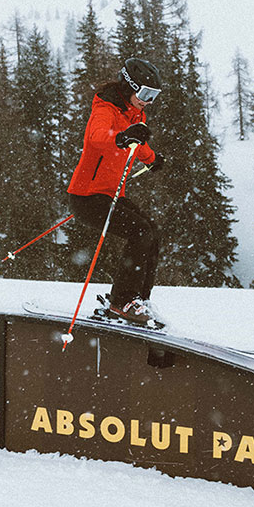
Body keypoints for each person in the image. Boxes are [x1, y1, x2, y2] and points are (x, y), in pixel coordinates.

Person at [67, 57, 165, 325]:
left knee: (152, 232)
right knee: (140, 231)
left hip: (111, 195)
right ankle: (122, 302)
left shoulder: (136, 113)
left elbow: (138, 141)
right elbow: (96, 136)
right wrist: (120, 138)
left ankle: (138, 300)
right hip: (87, 197)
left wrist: (151, 158)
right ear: (130, 86)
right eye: (145, 94)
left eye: (154, 96)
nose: (148, 101)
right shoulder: (105, 108)